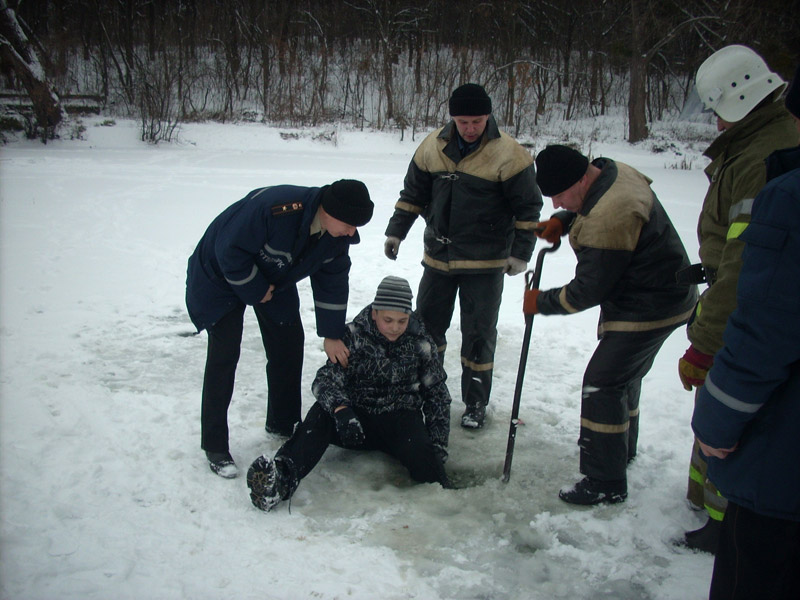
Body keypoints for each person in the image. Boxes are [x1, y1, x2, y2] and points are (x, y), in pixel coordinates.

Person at [526, 145, 697, 505]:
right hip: (661, 293)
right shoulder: (611, 173)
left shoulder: (610, 215)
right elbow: (589, 203)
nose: (556, 199)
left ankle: (605, 480)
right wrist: (565, 218)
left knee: (603, 383)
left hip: (650, 305)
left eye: (559, 193)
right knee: (621, 378)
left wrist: (539, 301)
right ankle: (619, 449)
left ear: (581, 177)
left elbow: (587, 290)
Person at [676, 45, 797, 553]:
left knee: (733, 412)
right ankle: (712, 508)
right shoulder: (762, 139)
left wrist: (705, 341)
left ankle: (726, 524)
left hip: (744, 314)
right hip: (737, 304)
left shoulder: (761, 159)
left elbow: (744, 266)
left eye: (718, 113)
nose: (716, 125)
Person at [185, 180, 374, 478]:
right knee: (225, 354)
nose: (353, 233)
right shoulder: (276, 209)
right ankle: (215, 445)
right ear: (328, 210)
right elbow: (229, 251)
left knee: (288, 342)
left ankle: (283, 424)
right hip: (218, 274)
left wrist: (332, 334)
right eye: (349, 224)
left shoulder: (336, 237)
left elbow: (333, 282)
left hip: (275, 274)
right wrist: (257, 289)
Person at [383, 83, 543, 429]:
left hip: (485, 264)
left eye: (477, 120)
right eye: (463, 121)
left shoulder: (510, 154)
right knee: (426, 331)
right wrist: (397, 230)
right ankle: (429, 392)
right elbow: (413, 194)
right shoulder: (432, 146)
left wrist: (520, 254)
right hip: (439, 259)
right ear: (452, 118)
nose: (470, 128)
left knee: (479, 334)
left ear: (488, 117)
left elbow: (528, 208)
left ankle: (474, 403)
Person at [246, 276, 452, 511]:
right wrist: (341, 410)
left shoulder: (421, 342)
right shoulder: (353, 336)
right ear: (374, 313)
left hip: (400, 420)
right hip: (353, 422)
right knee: (319, 417)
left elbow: (437, 394)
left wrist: (438, 444)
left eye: (402, 321)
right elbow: (324, 380)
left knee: (429, 467)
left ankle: (444, 494)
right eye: (388, 320)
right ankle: (281, 478)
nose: (395, 327)